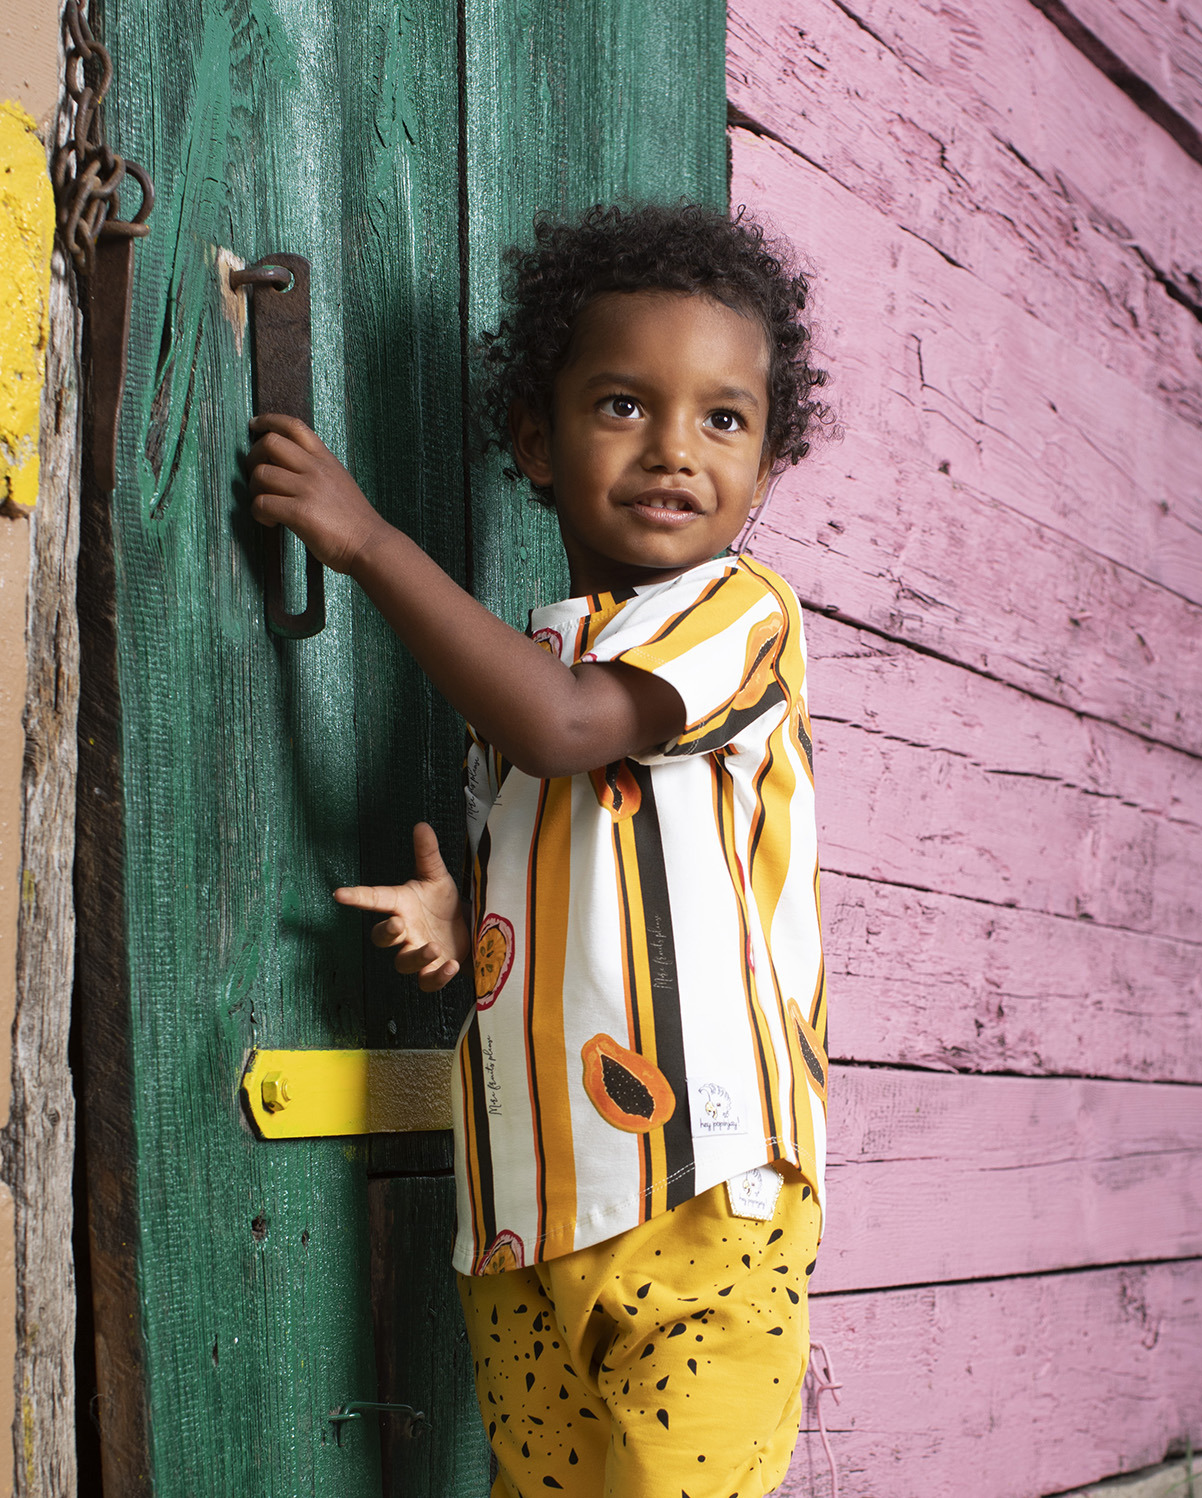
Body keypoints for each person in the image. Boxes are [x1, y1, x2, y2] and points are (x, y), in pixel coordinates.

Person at [245, 201, 836, 1498]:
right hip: (524, 1215)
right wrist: (461, 920)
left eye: (724, 417)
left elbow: (569, 730)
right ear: (537, 439)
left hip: (696, 1199)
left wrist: (367, 541)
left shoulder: (737, 614)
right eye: (625, 404)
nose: (676, 448)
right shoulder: (530, 663)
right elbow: (566, 860)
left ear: (769, 458)